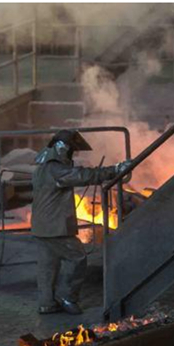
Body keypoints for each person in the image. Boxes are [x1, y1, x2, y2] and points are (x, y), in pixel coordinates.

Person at [31, 130, 130, 315]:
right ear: (62, 148)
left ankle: (46, 304)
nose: (72, 155)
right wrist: (115, 170)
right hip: (55, 227)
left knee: (48, 265)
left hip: (41, 226)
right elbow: (82, 176)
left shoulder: (42, 168)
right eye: (71, 151)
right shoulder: (55, 169)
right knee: (77, 258)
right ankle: (67, 297)